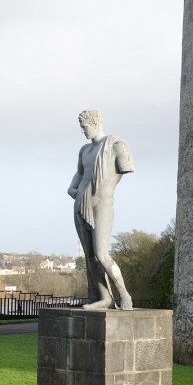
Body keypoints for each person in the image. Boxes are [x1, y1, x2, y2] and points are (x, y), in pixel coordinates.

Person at [67, 109, 134, 310]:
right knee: (89, 256)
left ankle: (124, 295)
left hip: (102, 205)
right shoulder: (85, 151)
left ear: (95, 123)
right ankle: (104, 298)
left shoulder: (116, 145)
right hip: (80, 204)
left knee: (102, 254)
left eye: (84, 126)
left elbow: (123, 170)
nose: (82, 131)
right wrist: (72, 188)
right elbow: (79, 174)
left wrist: (101, 191)